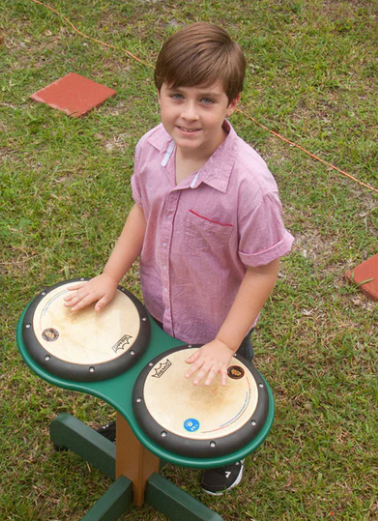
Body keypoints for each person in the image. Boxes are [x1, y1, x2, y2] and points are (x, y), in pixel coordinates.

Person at [64, 22, 294, 495]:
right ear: (160, 93)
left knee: (221, 390)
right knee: (146, 371)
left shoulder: (250, 187)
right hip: (158, 302)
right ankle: (135, 425)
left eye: (206, 100)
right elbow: (142, 211)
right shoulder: (150, 148)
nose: (188, 114)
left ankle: (227, 449)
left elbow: (263, 269)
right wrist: (110, 276)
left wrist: (226, 344)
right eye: (177, 96)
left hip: (218, 322)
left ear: (232, 104)